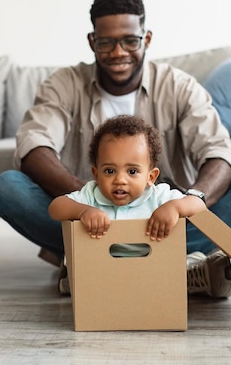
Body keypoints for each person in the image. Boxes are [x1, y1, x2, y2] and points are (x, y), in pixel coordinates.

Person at [0, 0, 231, 298]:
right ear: (93, 42)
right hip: (92, 224)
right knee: (7, 187)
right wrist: (86, 203)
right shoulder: (64, 84)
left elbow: (218, 151)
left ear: (146, 39)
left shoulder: (179, 85)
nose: (119, 52)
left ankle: (107, 266)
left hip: (167, 220)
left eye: (130, 41)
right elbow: (33, 144)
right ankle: (171, 267)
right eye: (106, 42)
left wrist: (186, 203)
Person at [49, 115, 220, 295]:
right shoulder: (92, 194)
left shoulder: (158, 196)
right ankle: (73, 280)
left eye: (132, 171)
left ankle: (202, 276)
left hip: (150, 269)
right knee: (81, 262)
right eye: (109, 171)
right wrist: (84, 211)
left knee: (188, 259)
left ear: (150, 177)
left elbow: (199, 205)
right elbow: (56, 207)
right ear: (96, 174)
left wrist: (175, 208)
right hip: (104, 270)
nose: (120, 180)